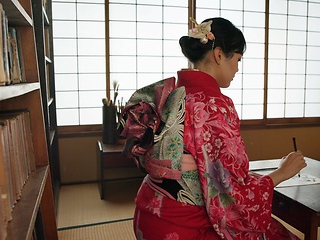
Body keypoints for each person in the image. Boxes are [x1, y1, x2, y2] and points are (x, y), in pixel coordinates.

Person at [121, 17, 306, 240]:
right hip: (184, 228)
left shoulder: (169, 92)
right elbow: (230, 190)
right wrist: (281, 173)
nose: (238, 68)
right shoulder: (213, 105)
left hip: (148, 214)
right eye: (237, 59)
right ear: (219, 55)